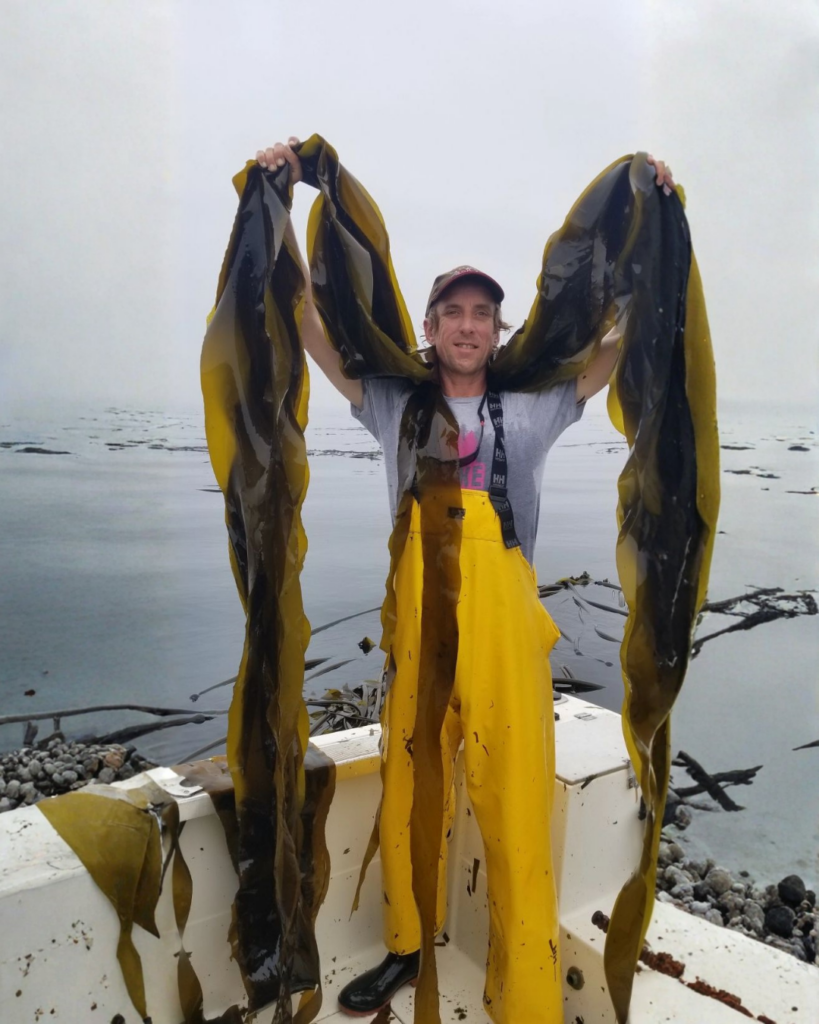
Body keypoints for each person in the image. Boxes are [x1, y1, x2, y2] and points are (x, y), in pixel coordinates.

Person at [256, 138, 676, 1022]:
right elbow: (309, 324)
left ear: (498, 331)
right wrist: (280, 199)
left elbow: (615, 340)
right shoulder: (390, 403)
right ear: (430, 325)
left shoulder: (535, 407)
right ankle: (405, 948)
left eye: (483, 313)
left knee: (515, 804)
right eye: (452, 310)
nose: (467, 325)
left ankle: (525, 984)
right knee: (408, 791)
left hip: (504, 637)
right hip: (418, 631)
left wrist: (654, 216)